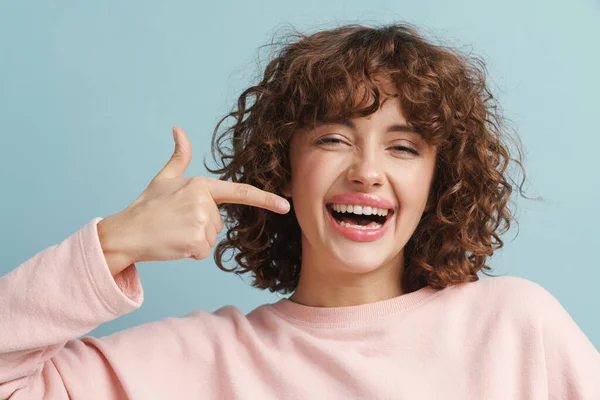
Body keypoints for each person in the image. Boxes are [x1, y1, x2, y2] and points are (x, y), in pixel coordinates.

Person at [1, 23, 598, 400]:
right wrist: (113, 244)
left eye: (403, 147)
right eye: (333, 139)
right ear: (281, 165)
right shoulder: (190, 362)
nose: (367, 170)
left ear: (439, 183)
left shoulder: (515, 328)